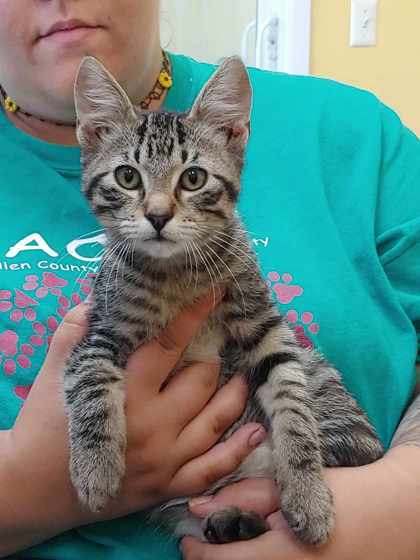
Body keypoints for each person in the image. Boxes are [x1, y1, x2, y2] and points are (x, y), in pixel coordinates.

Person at [0, 1, 419, 559]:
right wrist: (30, 489)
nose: (156, 208)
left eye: (190, 180)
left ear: (234, 135)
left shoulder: (355, 135)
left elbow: (273, 348)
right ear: (93, 132)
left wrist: (398, 504)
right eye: (129, 178)